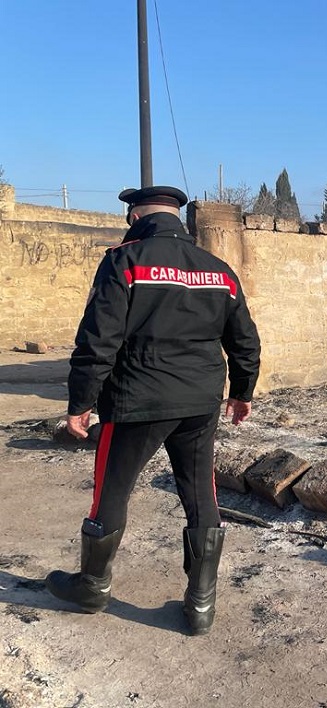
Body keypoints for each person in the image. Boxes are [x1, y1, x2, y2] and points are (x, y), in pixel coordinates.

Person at [45, 185, 261, 636]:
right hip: (200, 403)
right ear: (177, 218)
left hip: (136, 401)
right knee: (201, 496)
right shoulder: (218, 269)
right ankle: (201, 605)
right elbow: (244, 339)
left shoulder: (125, 261)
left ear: (136, 216)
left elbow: (97, 339)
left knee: (111, 492)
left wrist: (80, 403)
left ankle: (92, 586)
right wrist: (241, 392)